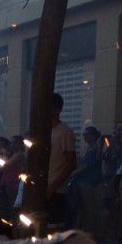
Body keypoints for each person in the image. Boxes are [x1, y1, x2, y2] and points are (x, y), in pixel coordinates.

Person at [46, 92, 77, 225]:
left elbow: (71, 163)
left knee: (53, 226)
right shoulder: (45, 131)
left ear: (57, 109)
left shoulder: (64, 132)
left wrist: (53, 186)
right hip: (43, 186)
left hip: (56, 190)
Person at [102, 121, 122, 244]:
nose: (121, 132)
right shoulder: (111, 144)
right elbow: (106, 158)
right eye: (119, 129)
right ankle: (116, 235)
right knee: (113, 208)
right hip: (114, 180)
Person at [66, 125, 103, 231]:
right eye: (84, 135)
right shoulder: (90, 148)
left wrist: (73, 174)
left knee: (88, 207)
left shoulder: (95, 148)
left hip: (90, 181)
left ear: (93, 135)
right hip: (85, 180)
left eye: (87, 134)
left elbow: (88, 165)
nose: (84, 137)